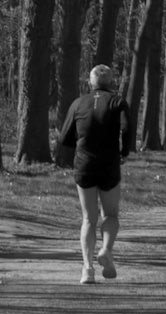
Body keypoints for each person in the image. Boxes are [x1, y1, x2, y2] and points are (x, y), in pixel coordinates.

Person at [56, 63, 134, 284]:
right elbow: (127, 129)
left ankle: (87, 269)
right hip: (109, 164)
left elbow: (64, 138)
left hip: (84, 165)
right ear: (111, 82)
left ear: (90, 82)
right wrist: (124, 151)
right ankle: (106, 250)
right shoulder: (118, 102)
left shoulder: (78, 103)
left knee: (88, 218)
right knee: (110, 215)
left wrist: (80, 143)